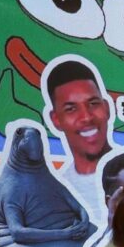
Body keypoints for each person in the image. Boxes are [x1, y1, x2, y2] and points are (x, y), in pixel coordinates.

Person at [44, 59, 115, 218]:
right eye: (71, 109)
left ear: (107, 108)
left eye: (93, 103)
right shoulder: (57, 192)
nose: (86, 117)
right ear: (55, 120)